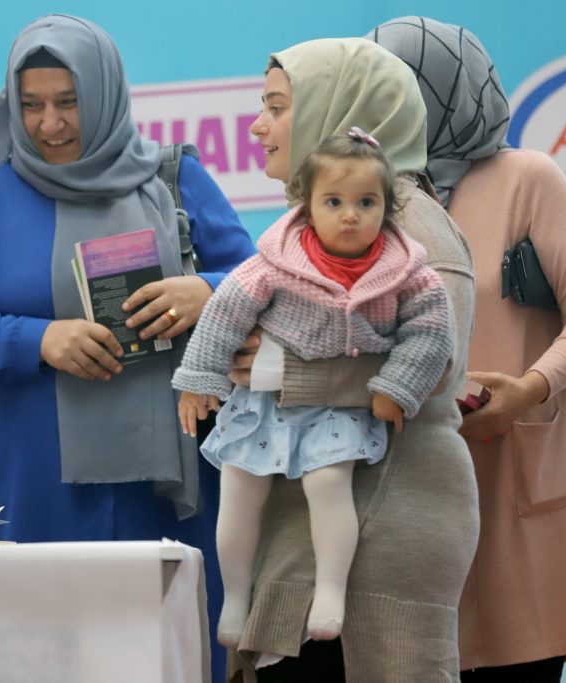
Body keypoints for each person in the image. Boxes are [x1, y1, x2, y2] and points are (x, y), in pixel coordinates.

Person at [0, 13, 257, 681]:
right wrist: (38, 338)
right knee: (33, 657)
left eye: (68, 101)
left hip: (169, 490)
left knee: (172, 656)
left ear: (104, 92)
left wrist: (206, 292)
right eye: (31, 104)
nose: (50, 124)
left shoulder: (175, 178)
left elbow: (261, 283)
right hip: (34, 483)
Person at [369, 17, 566, 680]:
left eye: (393, 88)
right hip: (418, 481)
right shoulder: (371, 198)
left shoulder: (526, 178)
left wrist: (529, 389)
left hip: (517, 464)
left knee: (517, 655)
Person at [222, 39, 480, 682]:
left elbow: (437, 365)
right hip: (323, 534)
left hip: (382, 528)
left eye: (277, 107)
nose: (258, 126)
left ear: (338, 112)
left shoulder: (406, 222)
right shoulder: (320, 226)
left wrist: (281, 371)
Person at [174, 128, 453, 646]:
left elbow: (433, 332)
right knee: (239, 487)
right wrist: (198, 379)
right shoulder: (277, 260)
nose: (350, 216)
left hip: (336, 407)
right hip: (265, 403)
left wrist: (398, 385)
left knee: (328, 484)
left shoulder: (407, 271)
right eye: (333, 202)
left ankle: (330, 591)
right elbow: (224, 314)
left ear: (387, 207)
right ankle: (234, 594)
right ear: (307, 205)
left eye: (366, 202)